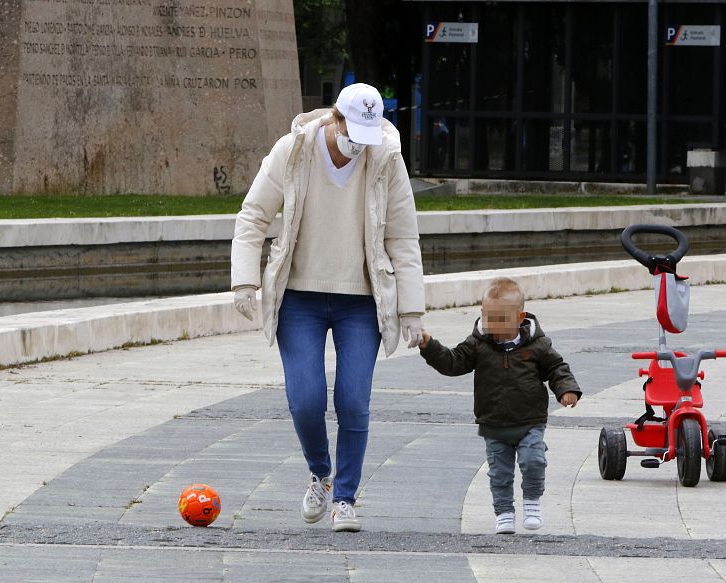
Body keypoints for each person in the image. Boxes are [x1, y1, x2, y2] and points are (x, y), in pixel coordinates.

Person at [230, 83, 425, 533]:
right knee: (306, 399)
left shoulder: (386, 158)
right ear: (334, 119)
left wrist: (411, 310)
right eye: (351, 131)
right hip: (300, 296)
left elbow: (403, 237)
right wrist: (244, 281)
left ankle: (346, 498)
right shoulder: (293, 150)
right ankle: (320, 472)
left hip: (362, 300)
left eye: (365, 135)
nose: (357, 143)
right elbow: (253, 216)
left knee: (353, 401)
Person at [417, 277, 581, 534]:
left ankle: (532, 500)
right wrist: (430, 347)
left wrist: (566, 389)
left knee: (534, 461)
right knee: (499, 473)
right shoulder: (477, 344)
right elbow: (453, 362)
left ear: (519, 317)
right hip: (493, 423)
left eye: (501, 319)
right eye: (488, 318)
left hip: (530, 420)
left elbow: (557, 368)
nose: (493, 325)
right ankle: (504, 512)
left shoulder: (537, 345)